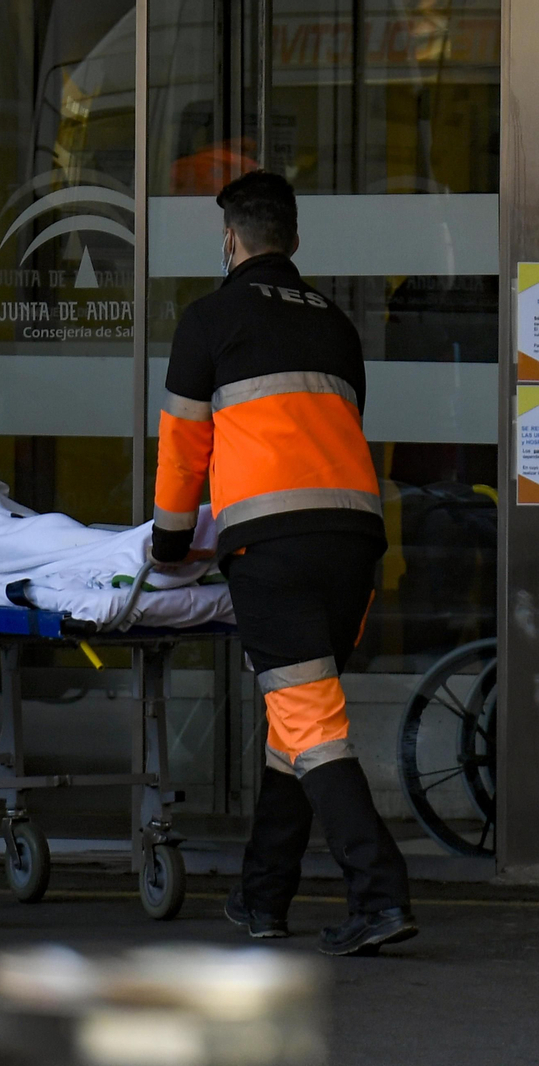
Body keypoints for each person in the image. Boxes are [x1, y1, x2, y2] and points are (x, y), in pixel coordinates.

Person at [149, 171, 415, 956]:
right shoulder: (336, 324)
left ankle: (380, 893)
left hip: (272, 547)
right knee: (293, 721)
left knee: (310, 723)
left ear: (230, 240)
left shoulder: (209, 319)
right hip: (355, 544)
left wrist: (169, 545)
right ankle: (261, 895)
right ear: (293, 241)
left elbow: (183, 446)